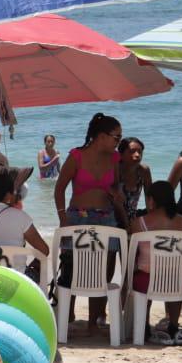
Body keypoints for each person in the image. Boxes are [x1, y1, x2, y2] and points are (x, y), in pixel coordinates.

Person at [54, 113, 126, 336]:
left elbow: (115, 187)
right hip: (77, 217)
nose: (118, 142)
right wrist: (63, 218)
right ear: (101, 136)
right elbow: (59, 189)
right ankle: (68, 315)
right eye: (116, 137)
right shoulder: (76, 156)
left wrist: (117, 195)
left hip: (106, 217)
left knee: (104, 272)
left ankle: (94, 320)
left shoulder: (114, 159)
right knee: (72, 268)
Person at [130, 180, 182, 344]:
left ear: (151, 200)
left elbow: (133, 255)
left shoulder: (139, 223)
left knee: (142, 274)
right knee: (178, 275)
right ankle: (174, 326)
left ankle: (144, 325)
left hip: (147, 281)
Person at [117, 137, 152, 222]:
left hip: (132, 217)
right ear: (121, 154)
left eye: (140, 152)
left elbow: (149, 197)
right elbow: (116, 202)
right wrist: (126, 224)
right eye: (132, 151)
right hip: (112, 218)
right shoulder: (115, 171)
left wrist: (151, 218)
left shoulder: (143, 171)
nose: (137, 155)